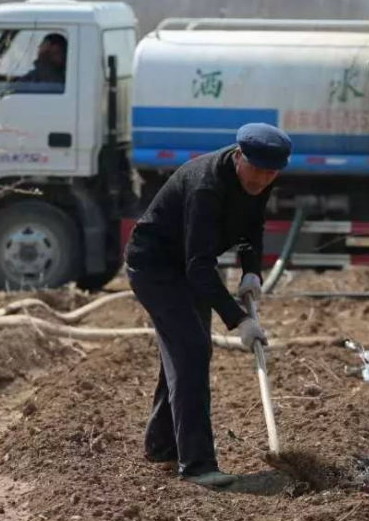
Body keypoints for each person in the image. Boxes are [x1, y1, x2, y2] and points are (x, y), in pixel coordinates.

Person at [124, 123, 291, 488]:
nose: (262, 180)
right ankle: (198, 465)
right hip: (155, 266)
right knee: (192, 350)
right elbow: (198, 266)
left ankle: (161, 444)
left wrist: (251, 272)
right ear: (238, 156)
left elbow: (253, 228)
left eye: (271, 173)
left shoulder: (260, 180)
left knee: (185, 351)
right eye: (257, 170)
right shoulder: (206, 187)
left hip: (188, 268)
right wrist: (239, 319)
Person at [0, 33, 67, 86]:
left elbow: (51, 84)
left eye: (43, 44)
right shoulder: (43, 70)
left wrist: (42, 57)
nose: (39, 47)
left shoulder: (53, 73)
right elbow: (22, 81)